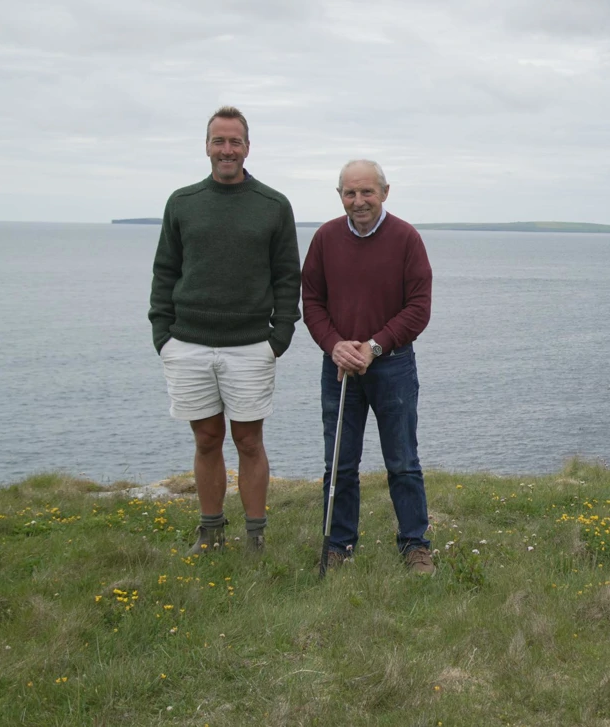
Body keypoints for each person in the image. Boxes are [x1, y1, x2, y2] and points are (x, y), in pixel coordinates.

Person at [148, 106, 301, 555]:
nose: (227, 149)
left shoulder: (273, 205)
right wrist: (163, 333)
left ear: (248, 147)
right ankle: (210, 531)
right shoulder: (182, 203)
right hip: (188, 342)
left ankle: (256, 537)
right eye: (219, 141)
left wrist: (280, 336)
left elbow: (287, 276)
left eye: (235, 141)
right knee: (206, 439)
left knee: (249, 441)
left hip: (252, 346)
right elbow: (165, 271)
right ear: (207, 146)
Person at [302, 159, 435, 574]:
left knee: (403, 461)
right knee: (339, 463)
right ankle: (338, 545)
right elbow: (312, 302)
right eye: (350, 193)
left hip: (392, 366)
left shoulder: (406, 239)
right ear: (339, 195)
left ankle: (415, 545)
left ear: (385, 192)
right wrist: (335, 345)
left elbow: (418, 308)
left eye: (367, 192)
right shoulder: (325, 239)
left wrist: (374, 346)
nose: (359, 201)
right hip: (339, 368)